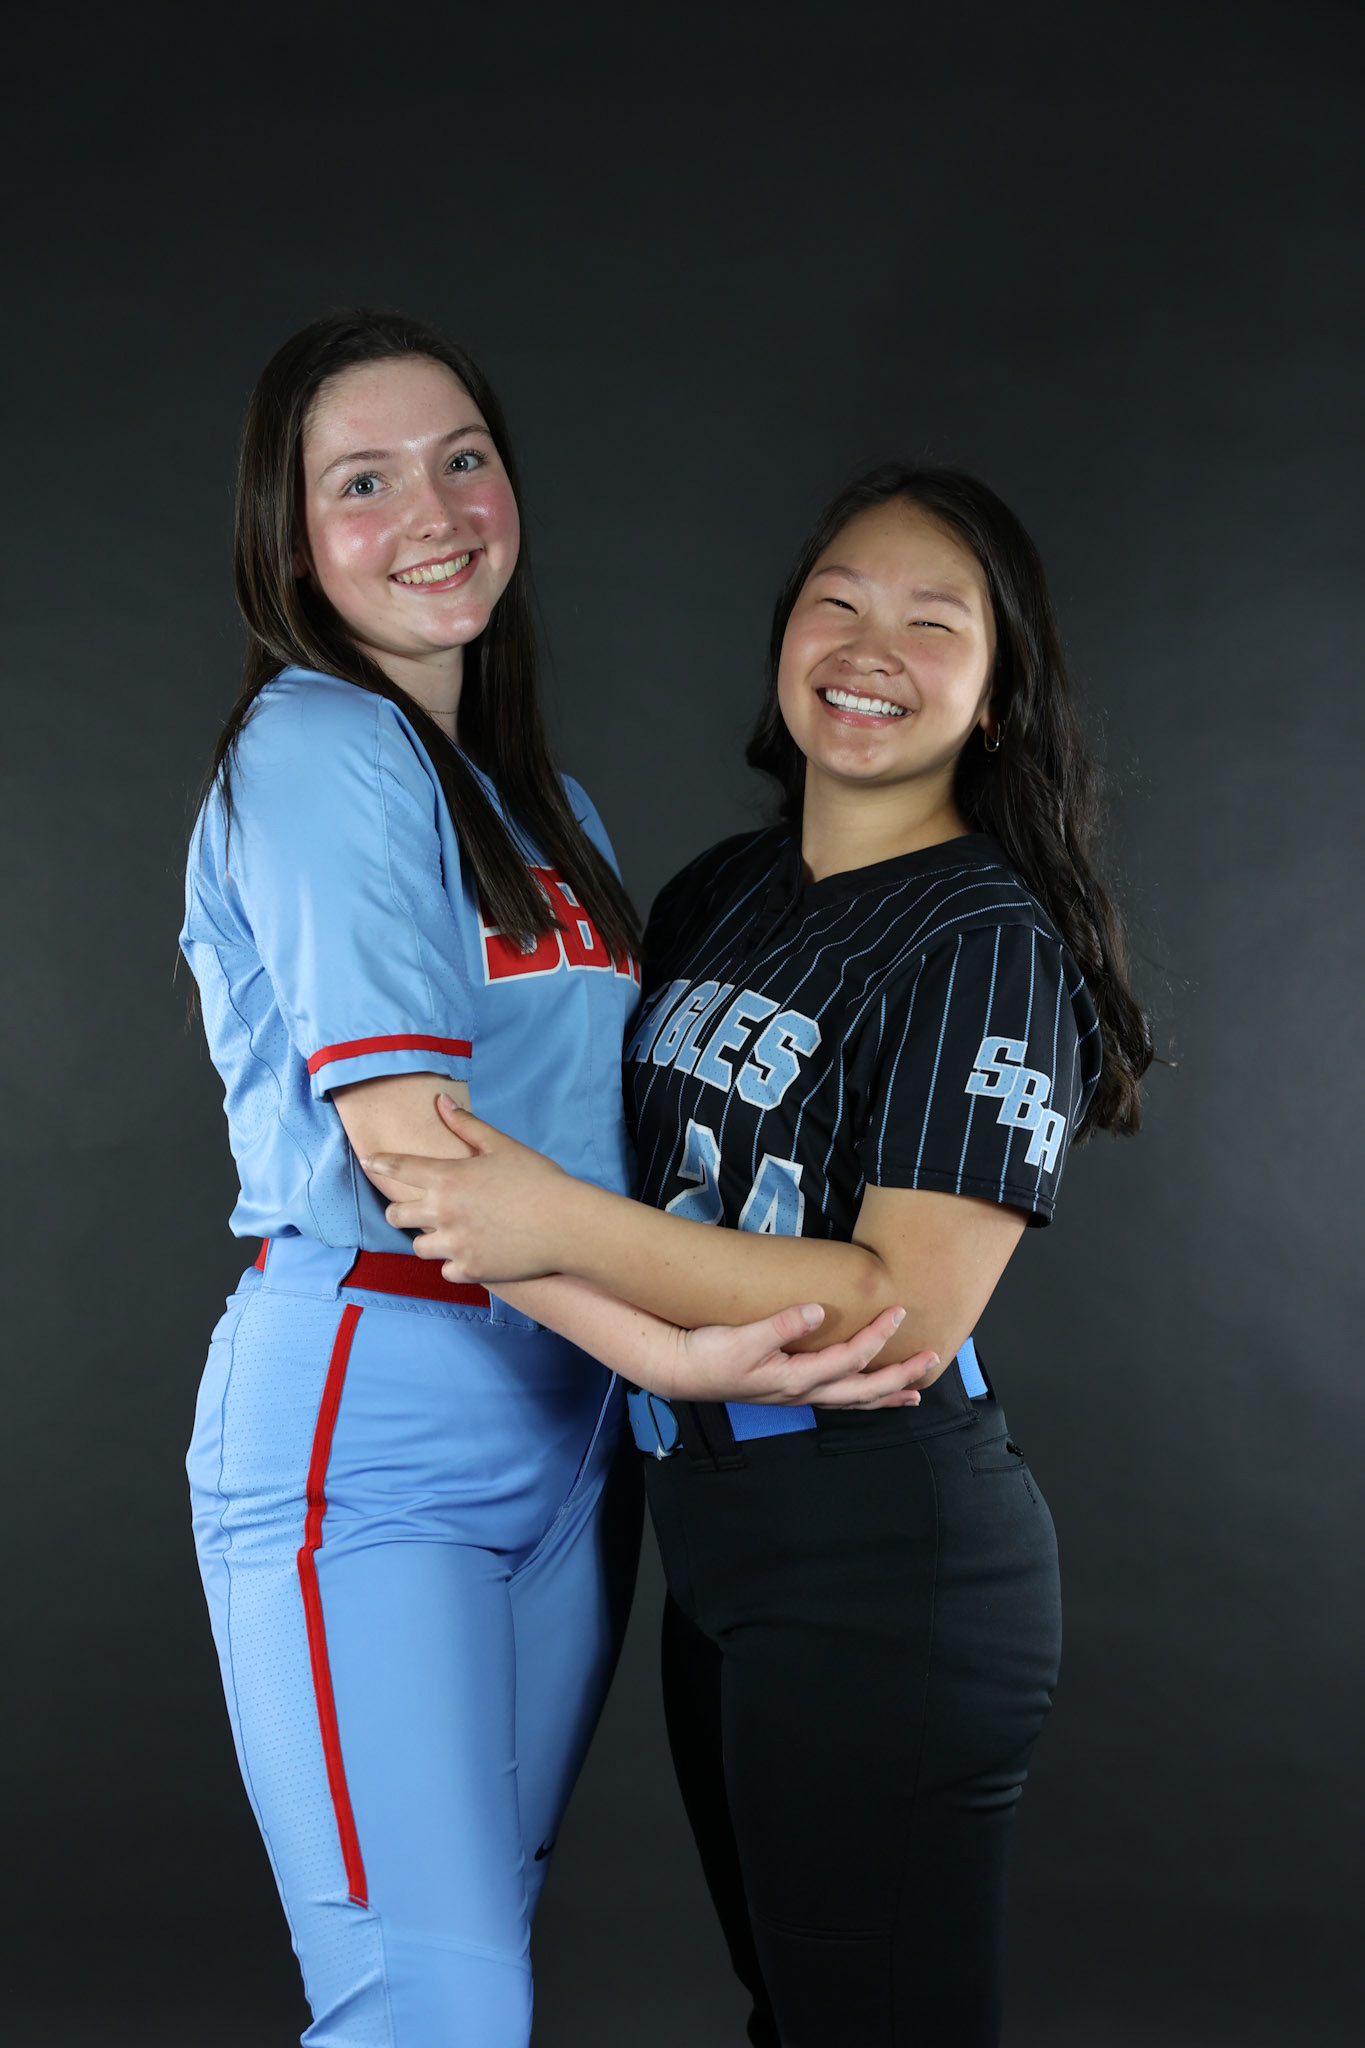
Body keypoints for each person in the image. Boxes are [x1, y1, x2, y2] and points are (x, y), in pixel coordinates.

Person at [179, 311, 932, 2048]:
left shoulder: (538, 802)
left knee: (475, 1966)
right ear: (290, 541)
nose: (432, 510)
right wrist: (671, 1353)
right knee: (427, 2008)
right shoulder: (315, 745)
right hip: (379, 1420)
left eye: (461, 458)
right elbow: (415, 1159)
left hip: (561, 1443)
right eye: (360, 483)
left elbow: (609, 1142)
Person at [363, 463, 1155, 2047]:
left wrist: (543, 1224)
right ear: (784, 637)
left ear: (996, 701)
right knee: (799, 2013)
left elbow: (903, 1307)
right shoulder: (723, 892)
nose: (871, 644)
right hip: (716, 1536)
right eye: (837, 601)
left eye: (934, 622)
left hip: (880, 1550)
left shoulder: (985, 938)